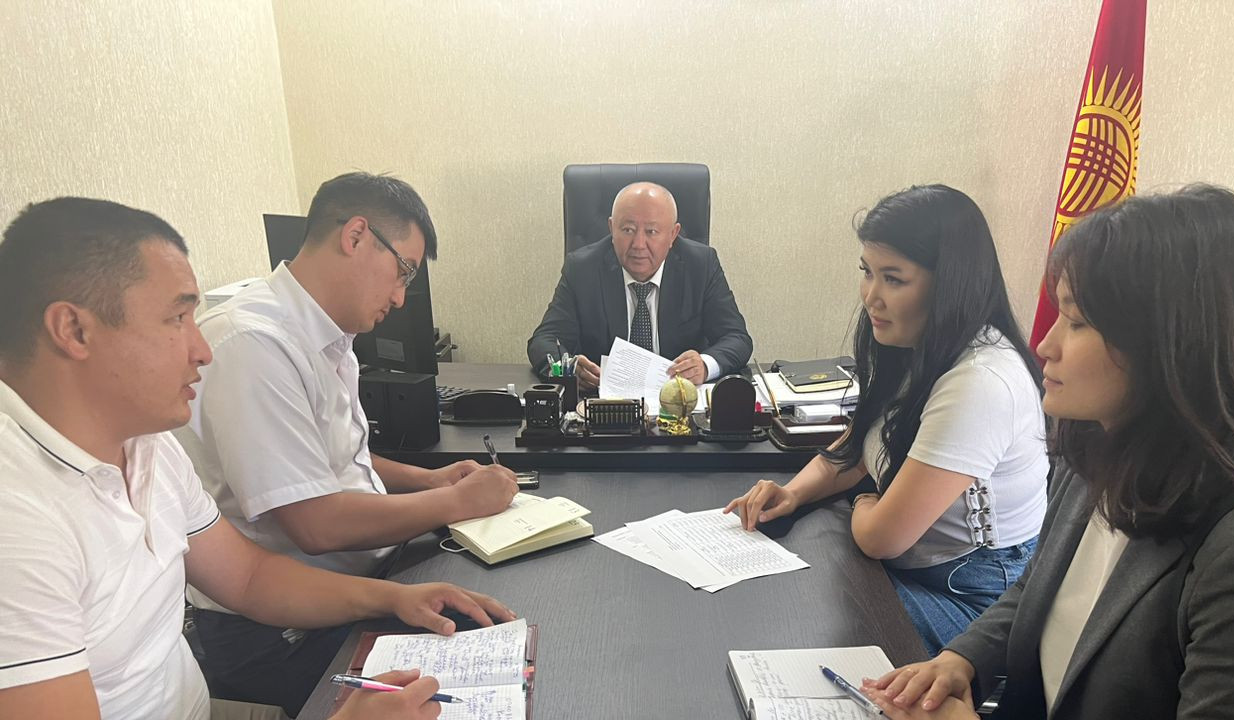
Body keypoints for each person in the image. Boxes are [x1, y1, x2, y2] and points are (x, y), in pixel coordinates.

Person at [0, 197, 514, 720]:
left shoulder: (144, 444)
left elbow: (248, 577)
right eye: (177, 318)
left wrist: (395, 598)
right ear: (74, 330)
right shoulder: (18, 523)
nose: (202, 350)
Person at [862, 185, 1234, 719]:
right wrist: (960, 659)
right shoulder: (1094, 450)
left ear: (1177, 344)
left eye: (1077, 322)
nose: (1045, 346)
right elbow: (1038, 589)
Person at [171, 172, 519, 714]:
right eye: (403, 271)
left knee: (504, 638)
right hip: (282, 634)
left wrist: (427, 480)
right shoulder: (253, 344)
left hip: (361, 584)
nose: (400, 297)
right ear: (356, 236)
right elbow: (317, 524)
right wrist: (454, 502)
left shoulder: (329, 335)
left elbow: (333, 459)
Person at [726, 185, 1047, 654]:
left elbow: (880, 537)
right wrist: (793, 493)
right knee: (796, 589)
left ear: (950, 284)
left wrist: (863, 500)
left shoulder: (980, 381)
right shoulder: (921, 345)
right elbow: (860, 445)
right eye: (868, 272)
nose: (871, 297)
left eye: (893, 279)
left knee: (804, 616)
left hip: (972, 596)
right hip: (921, 567)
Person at [526, 181, 752, 387]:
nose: (638, 244)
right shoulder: (582, 269)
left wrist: (704, 365)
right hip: (604, 406)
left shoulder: (701, 265)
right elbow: (544, 341)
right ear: (611, 228)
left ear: (673, 234)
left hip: (679, 403)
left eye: (651, 231)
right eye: (628, 230)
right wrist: (567, 369)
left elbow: (737, 337)